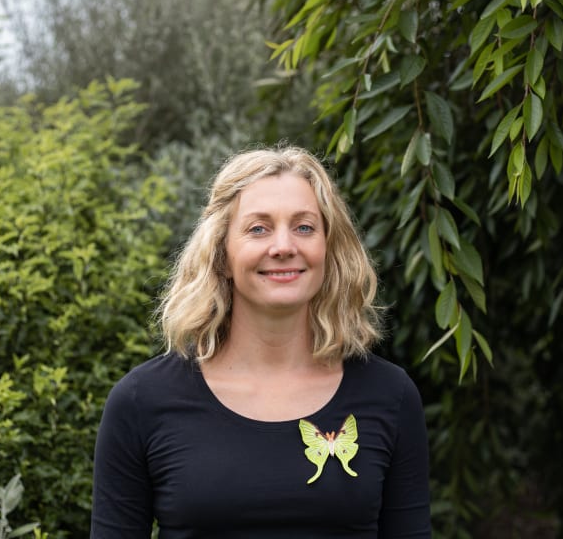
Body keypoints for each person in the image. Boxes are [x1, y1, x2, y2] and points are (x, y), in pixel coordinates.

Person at [90, 145, 432, 538]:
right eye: (258, 228)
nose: (284, 246)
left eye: (304, 227)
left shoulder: (390, 396)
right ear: (221, 255)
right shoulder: (141, 402)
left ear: (328, 250)